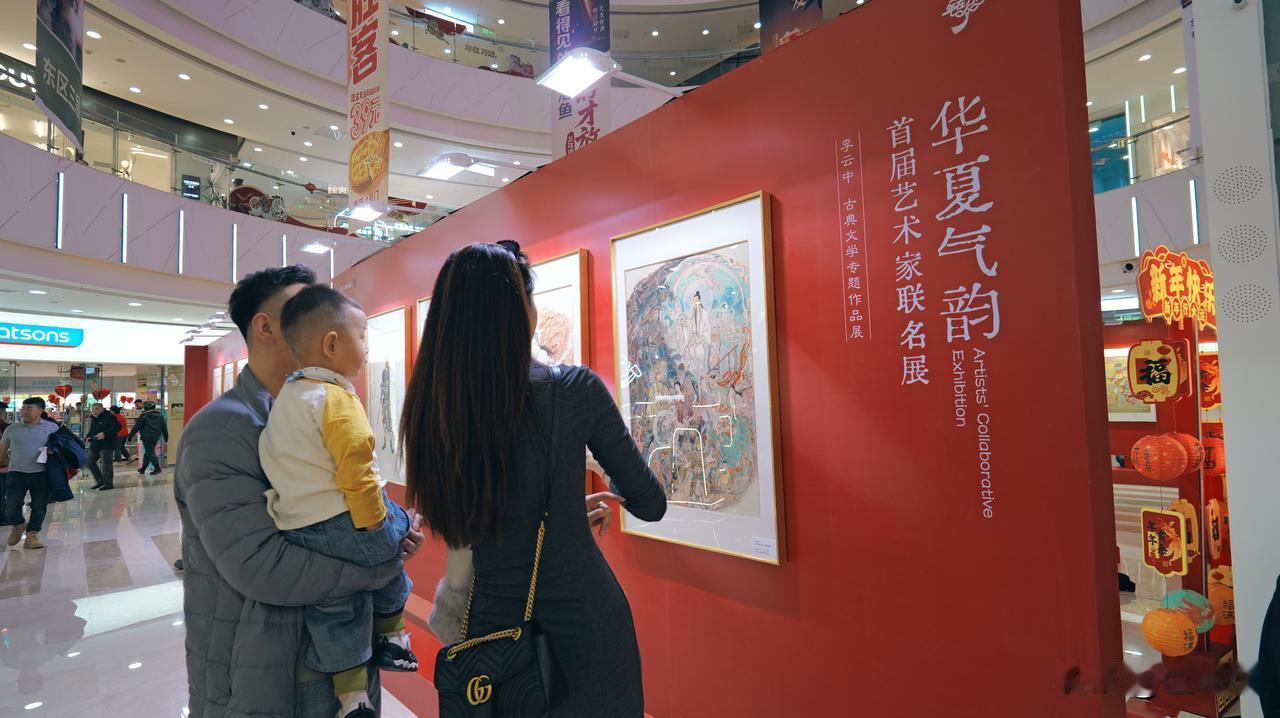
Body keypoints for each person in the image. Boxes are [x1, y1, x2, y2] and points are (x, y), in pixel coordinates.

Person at [402, 241, 667, 718]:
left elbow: (475, 518)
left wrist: (561, 507)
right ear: (519, 309)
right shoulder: (574, 390)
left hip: (491, 634)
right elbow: (650, 503)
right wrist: (591, 473)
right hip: (585, 633)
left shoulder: (433, 409)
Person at [174, 265, 426, 718]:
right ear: (265, 327)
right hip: (268, 674)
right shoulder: (219, 429)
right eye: (303, 308)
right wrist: (382, 560)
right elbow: (262, 566)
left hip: (338, 657)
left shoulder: (307, 410)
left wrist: (394, 537)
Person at [259, 285, 418, 718]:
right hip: (347, 521)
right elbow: (357, 467)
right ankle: (392, 636)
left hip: (299, 530)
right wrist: (376, 524)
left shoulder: (287, 399)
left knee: (334, 607)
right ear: (331, 344)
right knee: (399, 536)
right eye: (362, 337)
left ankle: (352, 698)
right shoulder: (336, 397)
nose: (367, 349)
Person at [0, 397, 60, 550]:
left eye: (29, 409)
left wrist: (54, 452)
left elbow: (62, 447)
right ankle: (19, 525)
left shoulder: (52, 427)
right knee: (11, 507)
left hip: (41, 474)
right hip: (16, 473)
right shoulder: (12, 429)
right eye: (23, 408)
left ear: (40, 410)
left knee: (39, 506)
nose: (24, 412)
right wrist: (2, 463)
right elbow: (2, 449)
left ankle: (32, 534)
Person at [128, 401, 168, 475]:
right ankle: (143, 469)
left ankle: (157, 468)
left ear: (145, 407)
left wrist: (130, 436)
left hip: (146, 437)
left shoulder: (144, 416)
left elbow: (137, 427)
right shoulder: (160, 415)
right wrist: (166, 436)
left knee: (150, 452)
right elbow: (164, 427)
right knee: (148, 452)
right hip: (156, 436)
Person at [86, 404, 118, 491]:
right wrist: (88, 436)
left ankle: (108, 483)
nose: (94, 411)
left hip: (106, 445)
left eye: (96, 409)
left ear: (102, 409)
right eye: (93, 409)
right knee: (90, 462)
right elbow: (92, 430)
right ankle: (100, 481)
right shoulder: (94, 418)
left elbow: (116, 427)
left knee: (106, 464)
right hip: (94, 445)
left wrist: (105, 433)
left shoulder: (109, 417)